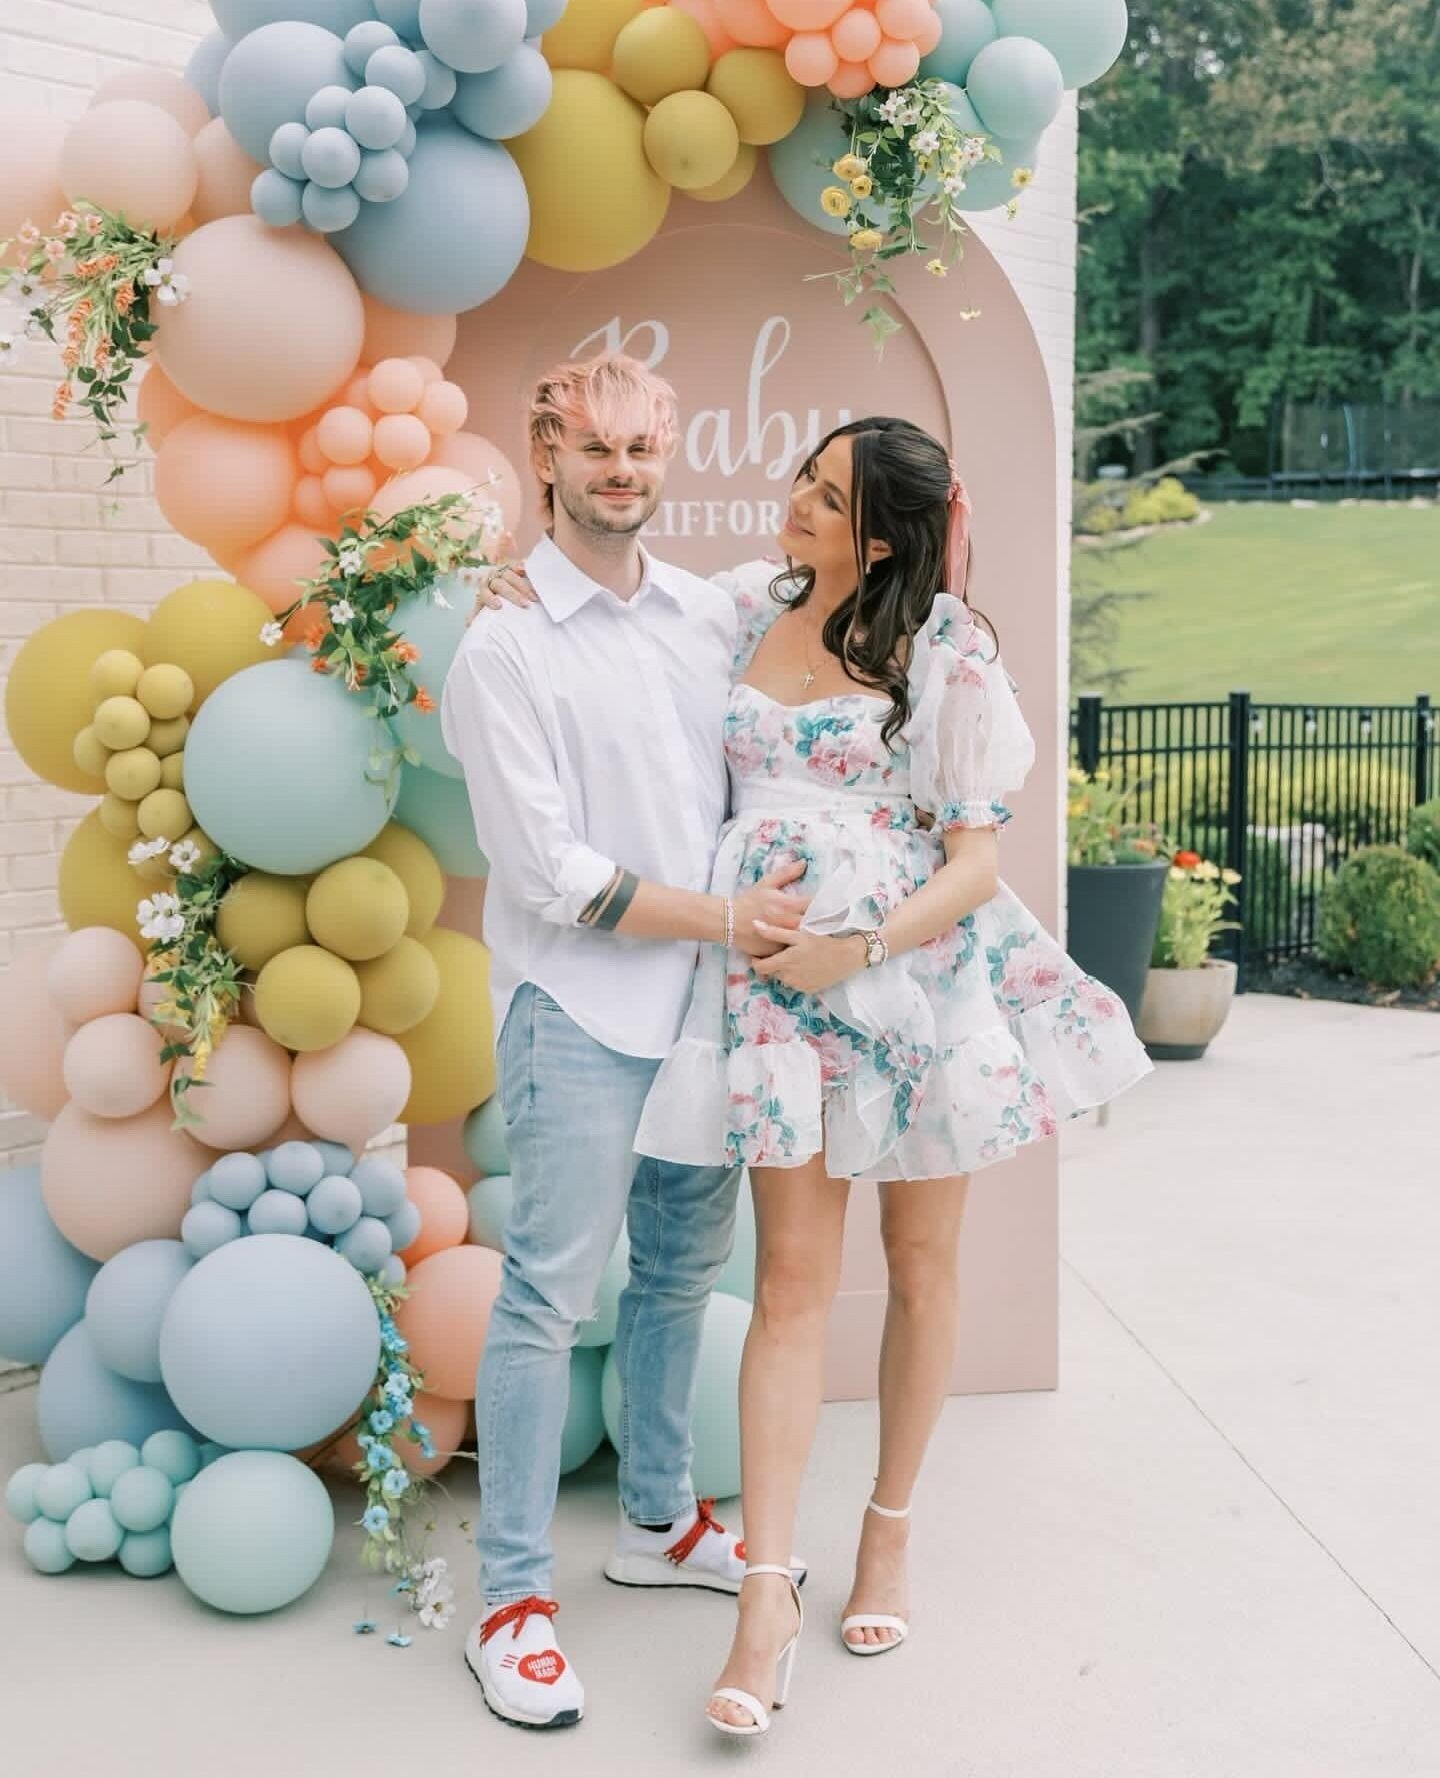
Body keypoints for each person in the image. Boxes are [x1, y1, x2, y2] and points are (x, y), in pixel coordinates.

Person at [479, 414, 1151, 1740]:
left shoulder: (949, 655)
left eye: (827, 495)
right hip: (772, 997)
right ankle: (766, 1599)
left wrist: (860, 947)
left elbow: (974, 861)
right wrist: (514, 564)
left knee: (921, 1266)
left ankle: (888, 1529)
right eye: (802, 475)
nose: (793, 502)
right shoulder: (740, 609)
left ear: (885, 533)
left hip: (910, 983)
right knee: (787, 1288)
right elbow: (611, 592)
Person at [439, 353, 807, 1732]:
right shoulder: (505, 644)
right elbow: (554, 875)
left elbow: (843, 590)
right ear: (546, 455)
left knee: (676, 1277)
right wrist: (727, 916)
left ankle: (656, 1520)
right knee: (546, 1296)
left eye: (645, 449)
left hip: (702, 1015)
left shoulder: (708, 614)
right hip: (580, 1014)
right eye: (597, 448)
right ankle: (513, 1603)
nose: (625, 471)